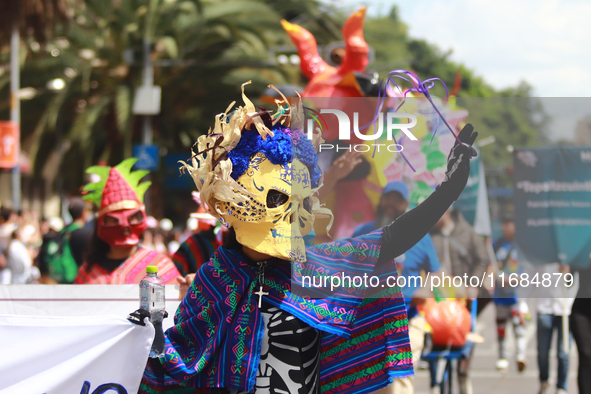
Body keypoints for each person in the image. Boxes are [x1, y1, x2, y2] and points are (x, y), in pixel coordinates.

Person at [139, 83, 478, 394]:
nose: (288, 211)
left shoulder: (318, 269)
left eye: (297, 201)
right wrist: (149, 333)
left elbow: (390, 240)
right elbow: (177, 361)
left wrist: (448, 190)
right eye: (275, 198)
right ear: (234, 201)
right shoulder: (214, 278)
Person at [353, 181, 441, 394]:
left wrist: (426, 289)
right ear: (381, 200)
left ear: (406, 205)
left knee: (398, 371)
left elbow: (437, 273)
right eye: (388, 197)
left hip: (409, 318)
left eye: (398, 199)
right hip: (368, 319)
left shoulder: (420, 236)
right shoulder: (363, 233)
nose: (391, 203)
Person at [73, 158, 180, 284]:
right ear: (101, 222)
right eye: (114, 219)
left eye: (132, 217)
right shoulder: (87, 272)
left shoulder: (159, 265)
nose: (124, 225)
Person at [428, 208, 490, 394]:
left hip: (463, 296)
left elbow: (482, 259)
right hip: (437, 296)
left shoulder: (467, 232)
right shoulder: (428, 235)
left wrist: (473, 283)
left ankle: (463, 375)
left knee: (464, 339)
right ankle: (435, 381)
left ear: (447, 212)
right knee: (434, 337)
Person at [492, 215, 528, 372]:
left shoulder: (522, 246)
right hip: (500, 297)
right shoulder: (497, 244)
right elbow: (491, 265)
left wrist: (515, 280)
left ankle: (521, 355)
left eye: (509, 224)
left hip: (516, 297)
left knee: (518, 327)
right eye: (504, 225)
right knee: (501, 328)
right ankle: (502, 356)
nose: (506, 228)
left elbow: (527, 270)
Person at [536, 264, 576, 394]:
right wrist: (522, 305)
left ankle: (561, 387)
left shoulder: (571, 256)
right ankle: (544, 381)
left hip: (565, 308)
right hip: (544, 307)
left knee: (563, 352)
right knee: (542, 352)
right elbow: (531, 275)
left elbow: (576, 283)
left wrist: (568, 273)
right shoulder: (542, 253)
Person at [38, 198, 92, 284]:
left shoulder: (63, 231)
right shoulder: (86, 234)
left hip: (61, 280)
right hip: (79, 280)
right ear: (84, 213)